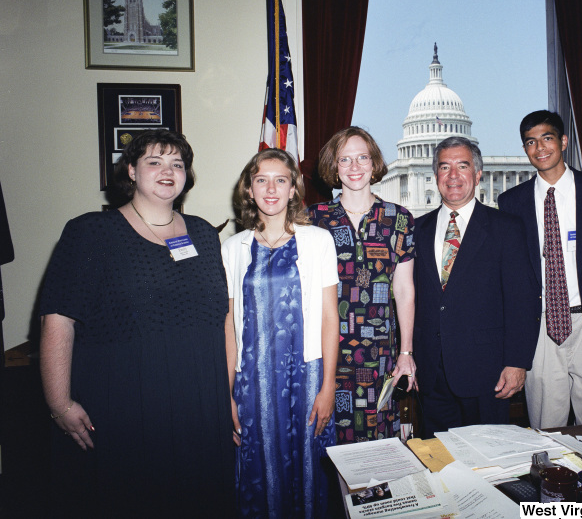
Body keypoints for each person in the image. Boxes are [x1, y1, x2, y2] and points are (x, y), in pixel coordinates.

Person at [39, 129, 234, 517]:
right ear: (130, 170)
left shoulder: (203, 233)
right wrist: (59, 402)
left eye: (177, 164)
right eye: (154, 162)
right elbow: (57, 318)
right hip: (127, 404)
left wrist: (226, 394)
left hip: (201, 403)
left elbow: (223, 318)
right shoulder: (91, 231)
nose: (168, 170)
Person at [498, 110, 582, 428]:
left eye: (547, 138)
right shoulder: (511, 203)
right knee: (546, 427)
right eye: (530, 142)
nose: (540, 148)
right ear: (525, 149)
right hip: (542, 328)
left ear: (563, 141)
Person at [222, 148, 339, 518]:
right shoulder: (231, 249)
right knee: (260, 474)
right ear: (249, 189)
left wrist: (328, 385)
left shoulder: (318, 241)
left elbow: (329, 316)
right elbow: (229, 323)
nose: (271, 189)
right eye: (261, 180)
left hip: (305, 378)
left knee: (309, 472)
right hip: (252, 382)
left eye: (281, 180)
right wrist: (227, 394)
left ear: (293, 190)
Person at [413, 136, 538, 437]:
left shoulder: (505, 227)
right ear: (436, 175)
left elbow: (523, 301)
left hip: (487, 374)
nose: (453, 176)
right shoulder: (417, 230)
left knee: (489, 465)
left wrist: (517, 363)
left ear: (478, 174)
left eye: (462, 166)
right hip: (431, 373)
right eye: (445, 167)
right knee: (440, 466)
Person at [308, 127, 416, 443]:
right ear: (334, 166)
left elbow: (405, 290)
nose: (355, 168)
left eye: (362, 158)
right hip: (328, 353)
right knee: (328, 442)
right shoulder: (313, 219)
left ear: (374, 163)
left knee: (377, 446)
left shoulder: (399, 219)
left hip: (380, 353)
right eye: (345, 160)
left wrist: (406, 352)